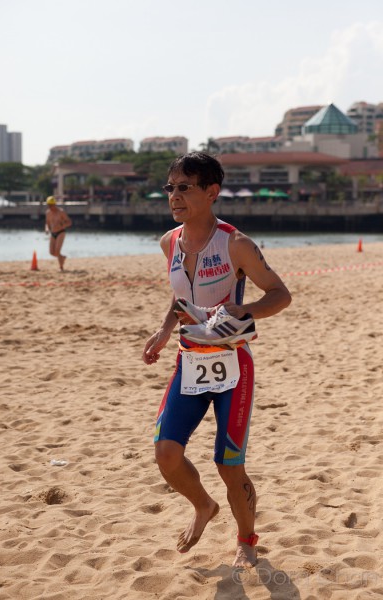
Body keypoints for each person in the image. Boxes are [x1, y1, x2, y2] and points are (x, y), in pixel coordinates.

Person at [142, 152, 291, 567]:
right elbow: (181, 297)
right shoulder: (169, 242)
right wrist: (164, 330)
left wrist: (246, 310)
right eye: (170, 187)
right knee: (166, 455)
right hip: (189, 362)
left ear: (211, 192)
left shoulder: (235, 244)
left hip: (233, 365)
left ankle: (246, 539)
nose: (174, 196)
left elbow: (281, 295)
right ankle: (203, 506)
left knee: (229, 465)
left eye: (184, 187)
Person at [44, 196, 72, 271]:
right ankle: (62, 257)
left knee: (57, 251)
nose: (50, 207)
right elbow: (47, 223)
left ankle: (61, 267)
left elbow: (69, 222)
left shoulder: (61, 212)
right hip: (53, 233)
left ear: (54, 204)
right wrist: (46, 229)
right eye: (49, 205)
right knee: (51, 252)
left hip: (61, 232)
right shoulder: (48, 213)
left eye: (51, 205)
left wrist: (62, 225)